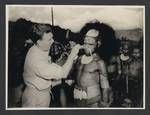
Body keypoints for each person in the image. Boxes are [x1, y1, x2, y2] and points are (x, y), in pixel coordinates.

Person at [21, 25, 82, 107]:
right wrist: (72, 55)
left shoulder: (40, 48)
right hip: (35, 97)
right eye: (49, 39)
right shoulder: (36, 58)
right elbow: (62, 73)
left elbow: (53, 66)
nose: (52, 41)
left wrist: (67, 55)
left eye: (52, 38)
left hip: (43, 92)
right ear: (39, 41)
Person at [73, 22, 111, 107]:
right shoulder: (79, 59)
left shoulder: (99, 62)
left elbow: (105, 87)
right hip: (78, 98)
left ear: (98, 44)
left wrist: (104, 104)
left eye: (90, 44)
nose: (86, 47)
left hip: (93, 100)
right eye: (85, 43)